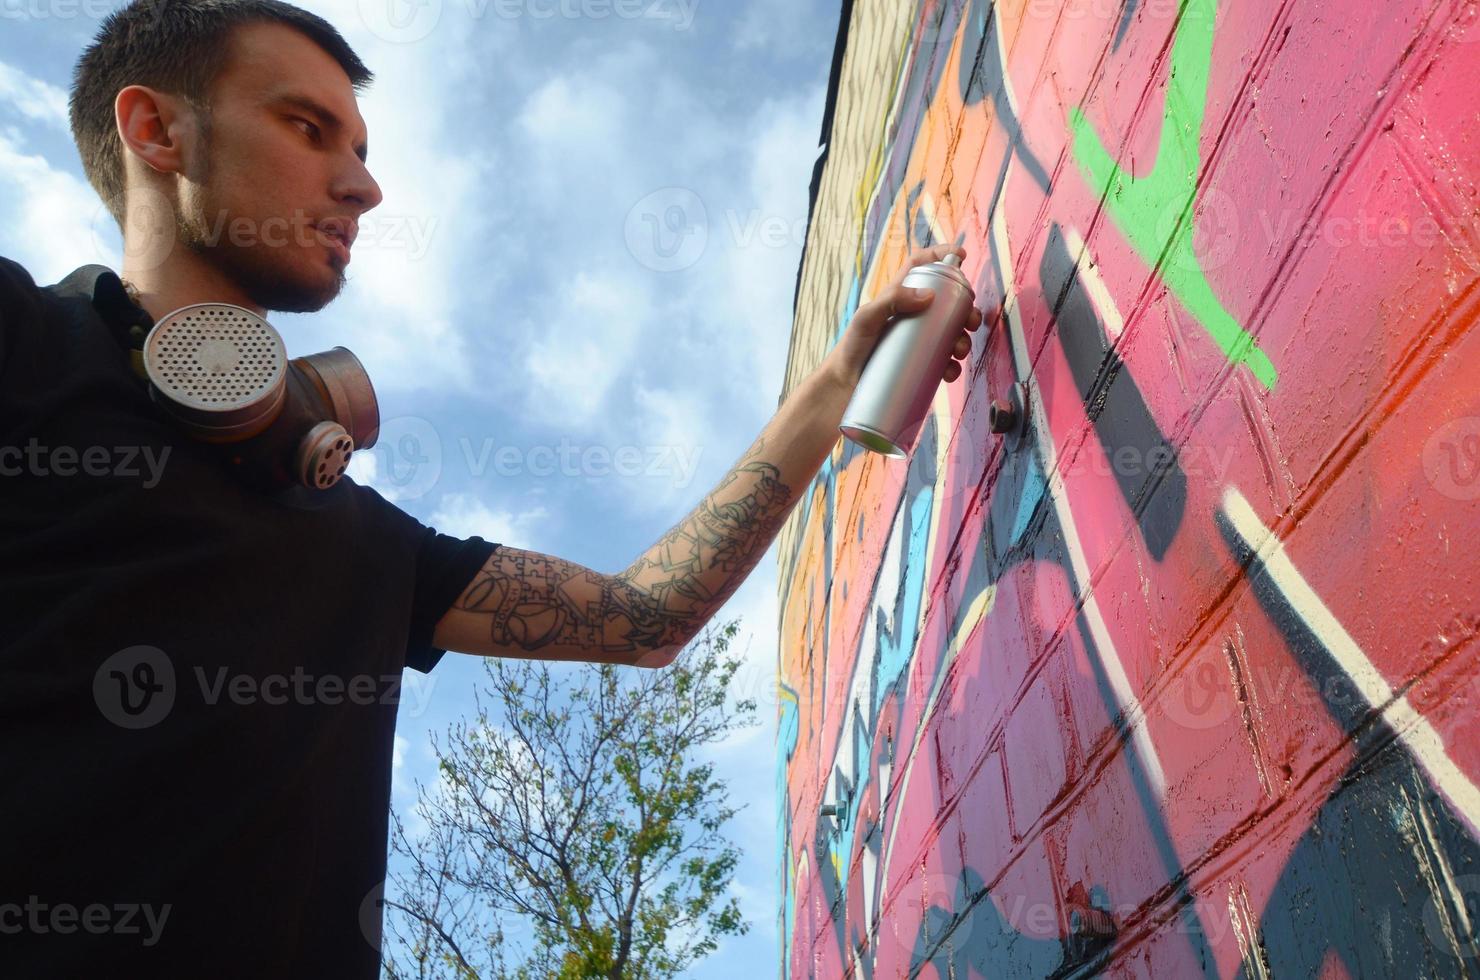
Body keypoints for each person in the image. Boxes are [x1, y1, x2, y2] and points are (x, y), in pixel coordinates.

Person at [0, 0, 982, 972]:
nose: (365, 187)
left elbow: (649, 614)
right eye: (308, 128)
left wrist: (838, 373)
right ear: (154, 129)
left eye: (364, 146)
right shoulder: (26, 350)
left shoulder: (355, 535)